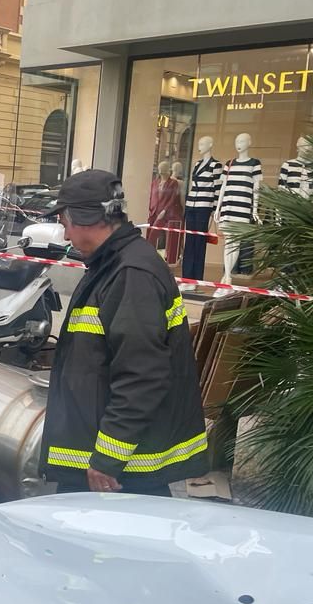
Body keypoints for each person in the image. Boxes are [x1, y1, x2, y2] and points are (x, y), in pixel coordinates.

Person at [41, 169, 208, 496]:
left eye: (65, 224)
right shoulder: (117, 264)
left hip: (118, 476)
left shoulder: (130, 274)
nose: (65, 236)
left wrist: (107, 459)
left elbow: (142, 376)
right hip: (116, 469)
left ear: (87, 219)